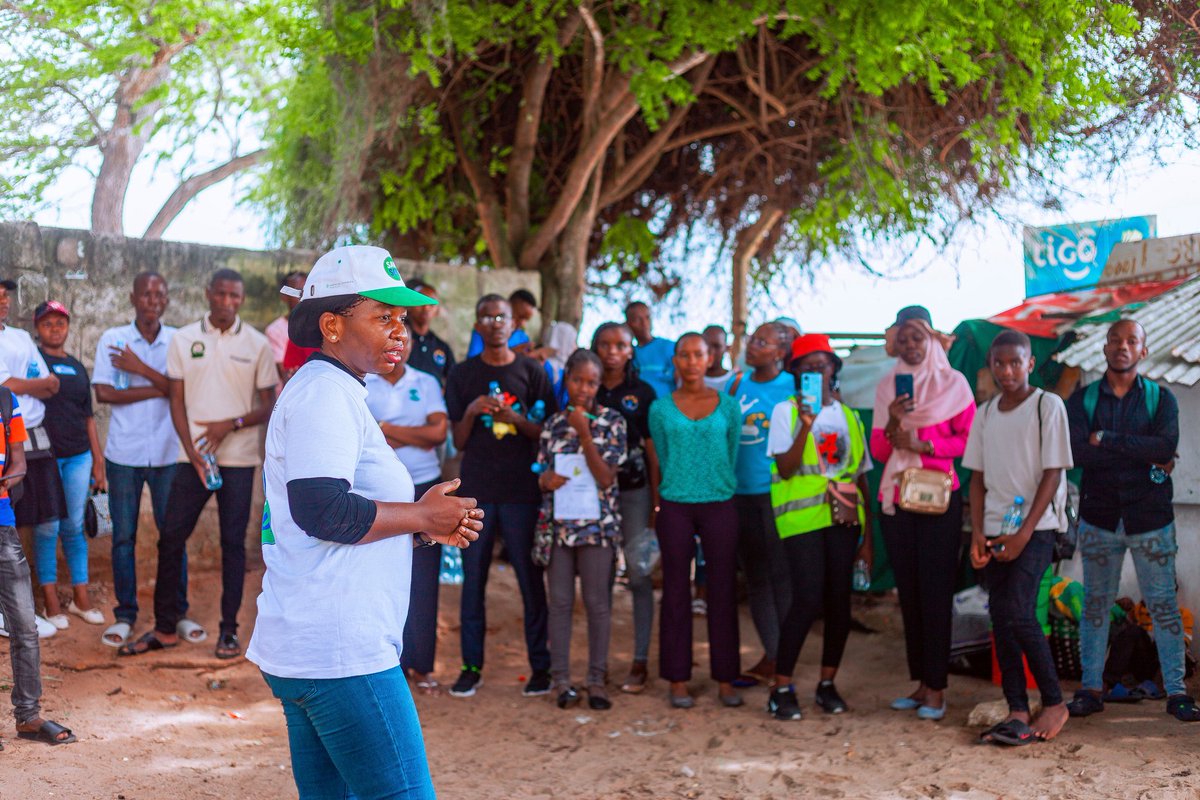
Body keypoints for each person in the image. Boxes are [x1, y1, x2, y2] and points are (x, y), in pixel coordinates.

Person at [245, 244, 482, 799]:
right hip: (340, 652)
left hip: (313, 644)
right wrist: (420, 512)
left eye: (401, 318)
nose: (401, 330)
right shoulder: (324, 393)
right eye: (382, 317)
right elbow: (320, 509)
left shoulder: (335, 389)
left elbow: (330, 513)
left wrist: (420, 527)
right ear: (331, 325)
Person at [119, 269, 277, 660]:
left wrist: (230, 425)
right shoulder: (184, 339)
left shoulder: (257, 344)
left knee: (232, 544)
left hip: (238, 460)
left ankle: (228, 631)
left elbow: (268, 405)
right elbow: (176, 399)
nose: (227, 302)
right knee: (171, 537)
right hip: (192, 460)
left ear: (241, 299)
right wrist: (191, 452)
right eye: (221, 294)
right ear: (208, 294)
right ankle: (165, 628)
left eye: (234, 296)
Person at [1064, 319, 1200, 722]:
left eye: (1131, 341)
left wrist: (1107, 439)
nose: (1122, 346)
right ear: (1105, 348)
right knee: (1095, 605)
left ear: (1143, 350)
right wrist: (1144, 453)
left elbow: (1166, 447)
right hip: (1099, 518)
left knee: (1163, 607)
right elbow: (1077, 453)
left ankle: (1177, 692)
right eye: (1115, 340)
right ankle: (1091, 689)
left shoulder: (1162, 399)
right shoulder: (1083, 400)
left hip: (1150, 519)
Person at [445, 294, 557, 697]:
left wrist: (517, 420)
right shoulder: (462, 374)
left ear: (514, 325)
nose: (495, 323)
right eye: (488, 317)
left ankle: (540, 667)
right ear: (477, 325)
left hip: (521, 492)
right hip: (476, 494)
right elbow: (458, 441)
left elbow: (547, 432)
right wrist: (472, 411)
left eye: (502, 317)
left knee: (530, 580)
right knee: (474, 581)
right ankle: (470, 667)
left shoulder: (532, 371)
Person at [965, 330, 1070, 745]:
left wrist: (1025, 532)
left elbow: (1054, 473)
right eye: (999, 363)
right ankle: (1017, 709)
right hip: (994, 528)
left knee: (1019, 611)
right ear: (991, 366)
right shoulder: (986, 414)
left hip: (1037, 528)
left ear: (1030, 364)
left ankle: (1055, 702)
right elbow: (976, 479)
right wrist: (977, 533)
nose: (1007, 370)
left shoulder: (1048, 405)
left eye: (1015, 362)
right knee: (1000, 614)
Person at [871, 305, 975, 720]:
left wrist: (925, 446)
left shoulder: (954, 384)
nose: (911, 345)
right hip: (897, 500)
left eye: (918, 336)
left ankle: (938, 689)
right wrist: (894, 420)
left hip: (937, 500)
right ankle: (921, 683)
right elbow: (880, 451)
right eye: (904, 338)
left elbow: (968, 440)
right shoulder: (887, 387)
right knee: (909, 594)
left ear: (932, 339)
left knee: (935, 594)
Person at [765, 334, 873, 720]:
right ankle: (781, 687)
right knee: (807, 599)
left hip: (843, 520)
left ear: (833, 369)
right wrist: (805, 424)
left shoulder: (849, 417)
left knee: (839, 601)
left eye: (822, 365)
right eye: (807, 367)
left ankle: (827, 684)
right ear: (796, 373)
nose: (816, 371)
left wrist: (868, 538)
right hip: (802, 521)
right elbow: (785, 468)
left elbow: (860, 476)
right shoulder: (785, 411)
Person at [92, 271, 194, 648]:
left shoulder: (178, 341)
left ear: (166, 300)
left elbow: (185, 392)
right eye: (146, 294)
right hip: (124, 453)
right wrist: (160, 389)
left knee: (173, 535)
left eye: (159, 294)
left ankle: (176, 613)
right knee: (123, 538)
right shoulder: (112, 339)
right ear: (133, 298)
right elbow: (104, 393)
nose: (153, 300)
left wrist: (139, 370)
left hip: (169, 453)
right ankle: (125, 615)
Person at [648, 332, 742, 709]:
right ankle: (678, 678)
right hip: (675, 504)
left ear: (710, 358)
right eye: (683, 355)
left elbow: (731, 454)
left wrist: (712, 481)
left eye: (698, 354)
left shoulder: (728, 406)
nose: (691, 362)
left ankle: (726, 678)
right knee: (675, 590)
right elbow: (661, 456)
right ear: (675, 361)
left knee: (722, 589)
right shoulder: (660, 408)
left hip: (720, 503)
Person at [534, 348, 627, 711]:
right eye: (577, 380)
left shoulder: (612, 422)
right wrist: (545, 480)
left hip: (597, 529)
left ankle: (596, 680)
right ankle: (562, 681)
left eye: (591, 382)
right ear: (566, 380)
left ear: (599, 384)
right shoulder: (553, 425)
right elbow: (541, 472)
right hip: (559, 528)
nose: (584, 389)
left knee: (597, 604)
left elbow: (606, 478)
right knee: (559, 603)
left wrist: (585, 433)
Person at [365, 332, 449, 694]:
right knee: (379, 574)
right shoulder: (364, 380)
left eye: (407, 338)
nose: (400, 343)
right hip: (378, 494)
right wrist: (414, 434)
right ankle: (387, 664)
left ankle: (422, 664)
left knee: (424, 581)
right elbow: (363, 438)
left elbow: (438, 433)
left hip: (424, 490)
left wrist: (385, 429)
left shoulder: (426, 382)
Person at [0, 386, 77, 748]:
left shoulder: (6, 400)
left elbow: (19, 461)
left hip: (3, 524)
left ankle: (28, 716)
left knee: (25, 626)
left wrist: (10, 478)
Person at [726, 323, 797, 684]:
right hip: (738, 494)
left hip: (776, 493)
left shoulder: (792, 388)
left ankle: (786, 660)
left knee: (781, 576)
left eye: (762, 342)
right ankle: (772, 655)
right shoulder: (735, 384)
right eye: (752, 339)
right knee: (755, 576)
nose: (752, 346)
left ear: (780, 353)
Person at [591, 322, 660, 694]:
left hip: (635, 493)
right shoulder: (587, 386)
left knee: (638, 574)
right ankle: (598, 665)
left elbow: (651, 450)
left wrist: (655, 501)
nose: (612, 352)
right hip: (592, 497)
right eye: (605, 345)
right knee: (599, 578)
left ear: (631, 350)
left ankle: (640, 660)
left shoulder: (642, 393)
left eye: (620, 345)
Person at [32, 301, 105, 629]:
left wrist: (98, 461)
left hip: (79, 457)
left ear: (68, 327)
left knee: (74, 527)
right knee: (47, 528)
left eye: (60, 323)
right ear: (37, 328)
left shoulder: (77, 367)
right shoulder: (34, 364)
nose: (55, 329)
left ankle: (80, 598)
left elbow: (89, 417)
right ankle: (50, 602)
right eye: (47, 323)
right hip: (44, 459)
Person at [404, 279, 456, 386]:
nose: (426, 308)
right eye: (420, 301)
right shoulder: (399, 340)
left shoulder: (442, 347)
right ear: (409, 306)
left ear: (437, 310)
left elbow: (453, 381)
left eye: (431, 304)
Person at [625, 301, 676, 400]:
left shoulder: (670, 347)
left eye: (647, 317)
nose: (644, 323)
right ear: (628, 324)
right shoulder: (628, 353)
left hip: (666, 405)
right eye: (638, 319)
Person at [466, 288, 535, 358]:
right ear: (508, 309)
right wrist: (512, 353)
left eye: (526, 320)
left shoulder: (522, 336)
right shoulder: (484, 331)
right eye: (520, 317)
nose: (523, 324)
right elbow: (473, 361)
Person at [265, 271, 307, 380]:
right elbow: (285, 374)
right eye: (298, 292)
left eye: (308, 291)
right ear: (284, 296)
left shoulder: (320, 326)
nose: (304, 296)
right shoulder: (275, 330)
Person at [702, 325, 732, 390]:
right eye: (706, 345)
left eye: (717, 346)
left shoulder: (736, 381)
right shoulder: (686, 379)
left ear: (727, 348)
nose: (711, 351)